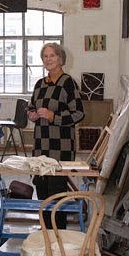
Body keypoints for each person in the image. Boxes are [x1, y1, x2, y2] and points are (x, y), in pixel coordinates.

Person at [27, 42, 84, 229]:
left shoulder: (68, 82)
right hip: (40, 146)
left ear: (60, 58)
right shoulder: (39, 84)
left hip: (61, 148)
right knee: (41, 189)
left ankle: (58, 233)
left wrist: (53, 116)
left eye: (52, 55)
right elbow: (31, 106)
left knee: (57, 193)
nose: (48, 59)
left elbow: (78, 113)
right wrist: (32, 115)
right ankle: (46, 230)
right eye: (45, 56)